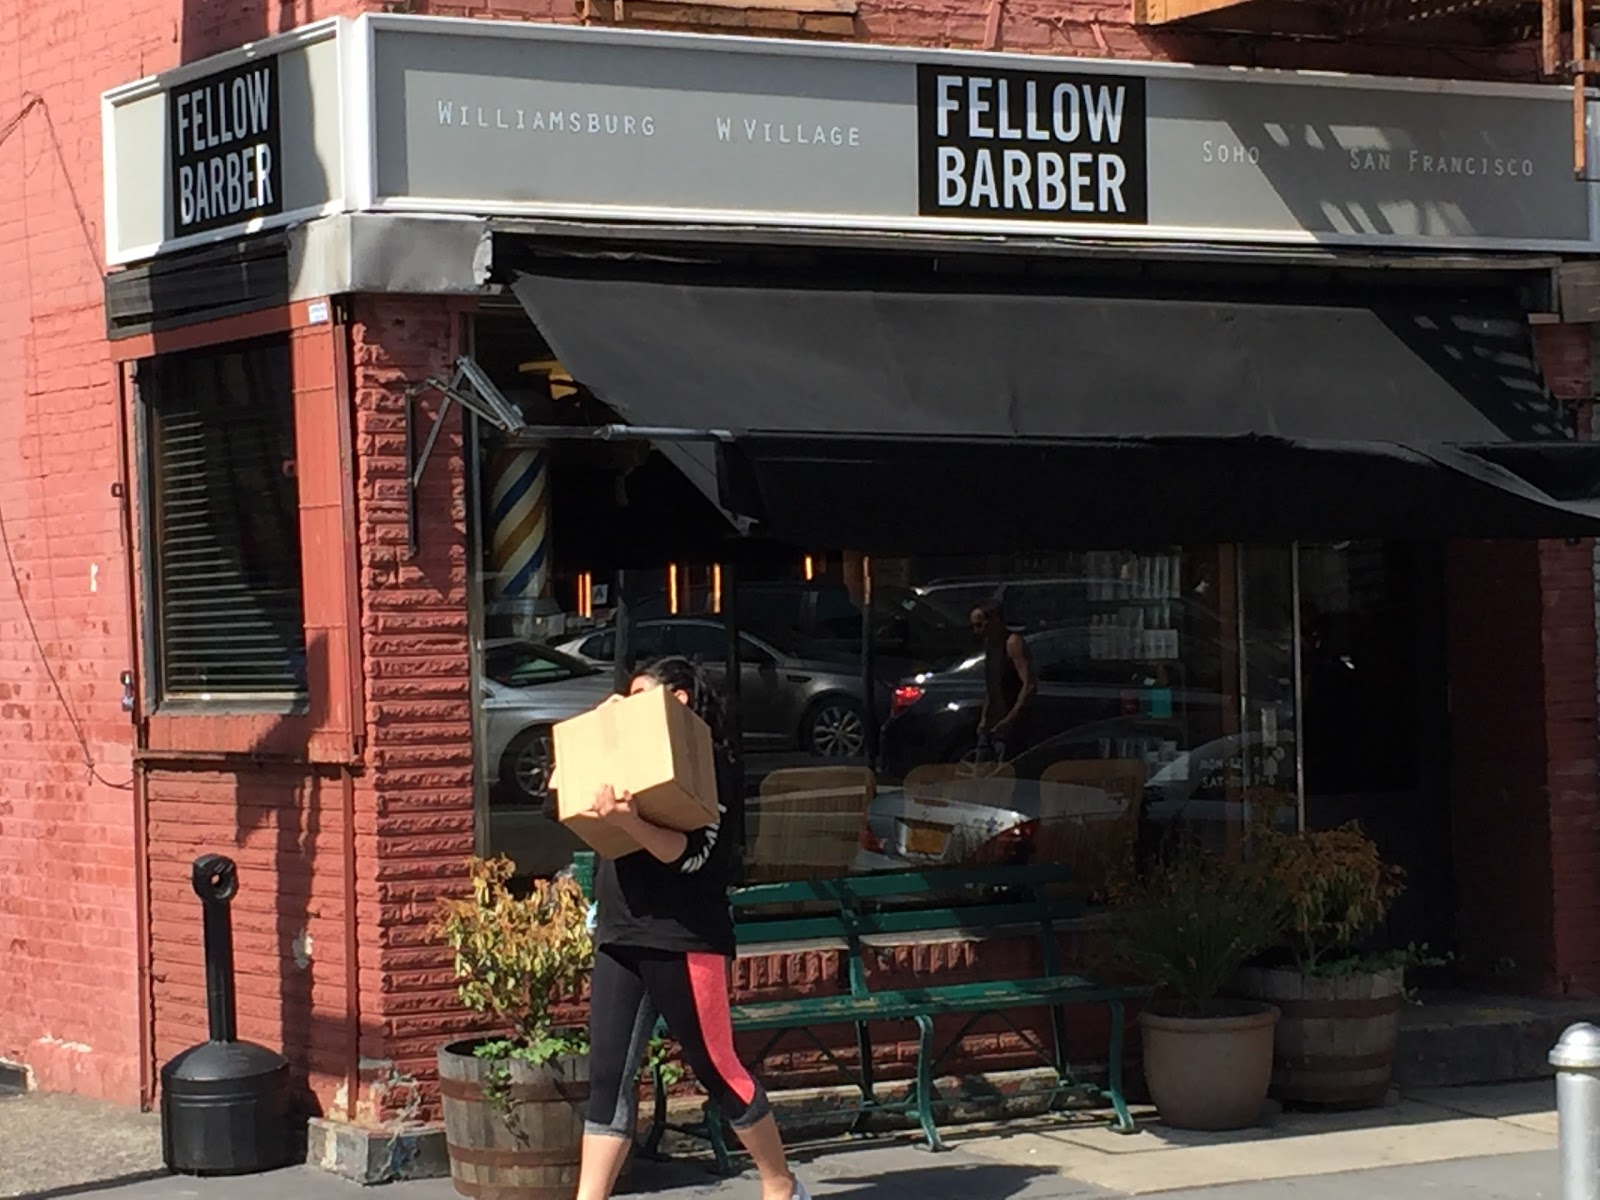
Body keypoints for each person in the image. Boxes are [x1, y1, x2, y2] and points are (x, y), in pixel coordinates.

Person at [574, 656, 808, 1200]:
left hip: (683, 938)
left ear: (677, 699)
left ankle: (781, 1185)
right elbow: (557, 796)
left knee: (715, 1067)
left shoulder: (709, 768)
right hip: (620, 932)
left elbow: (691, 858)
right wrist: (597, 732)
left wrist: (628, 821)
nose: (629, 708)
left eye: (639, 698)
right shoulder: (622, 760)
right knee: (608, 1077)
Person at [971, 597, 1036, 764]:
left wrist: (1010, 719)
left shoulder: (1013, 643)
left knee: (1006, 774)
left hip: (1010, 725)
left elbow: (1028, 685)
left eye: (980, 625)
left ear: (994, 621)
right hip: (991, 726)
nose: (976, 631)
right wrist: (985, 718)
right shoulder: (990, 645)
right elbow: (992, 685)